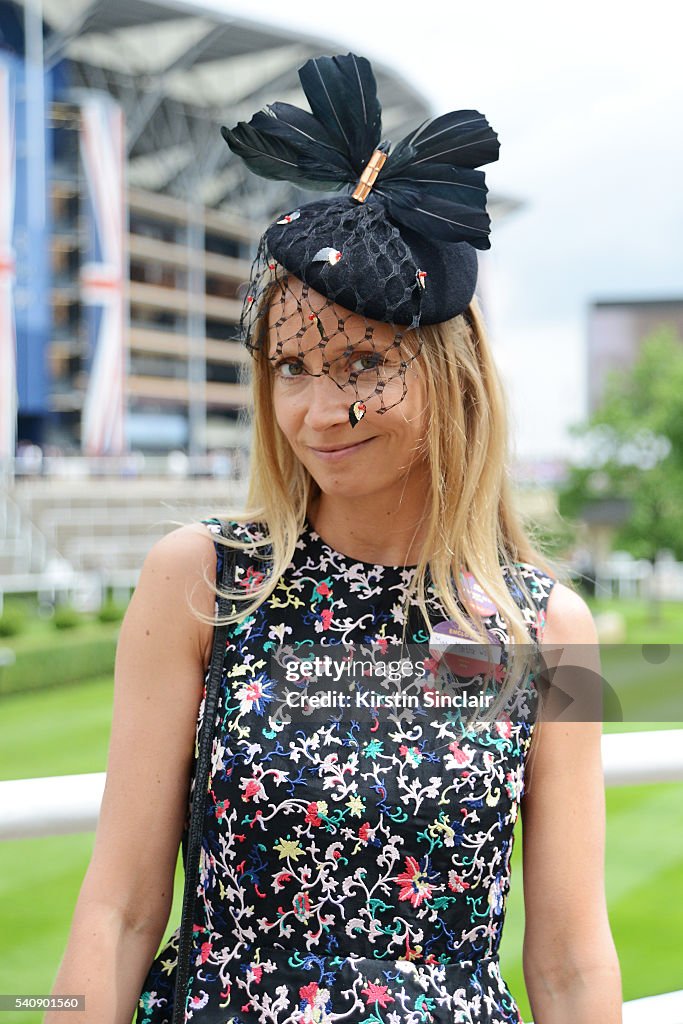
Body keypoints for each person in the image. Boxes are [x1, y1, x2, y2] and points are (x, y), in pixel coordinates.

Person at [45, 54, 622, 1024]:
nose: (319, 410)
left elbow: (566, 962)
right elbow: (118, 910)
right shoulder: (201, 581)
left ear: (450, 374)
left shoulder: (545, 629)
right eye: (290, 365)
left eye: (362, 361)